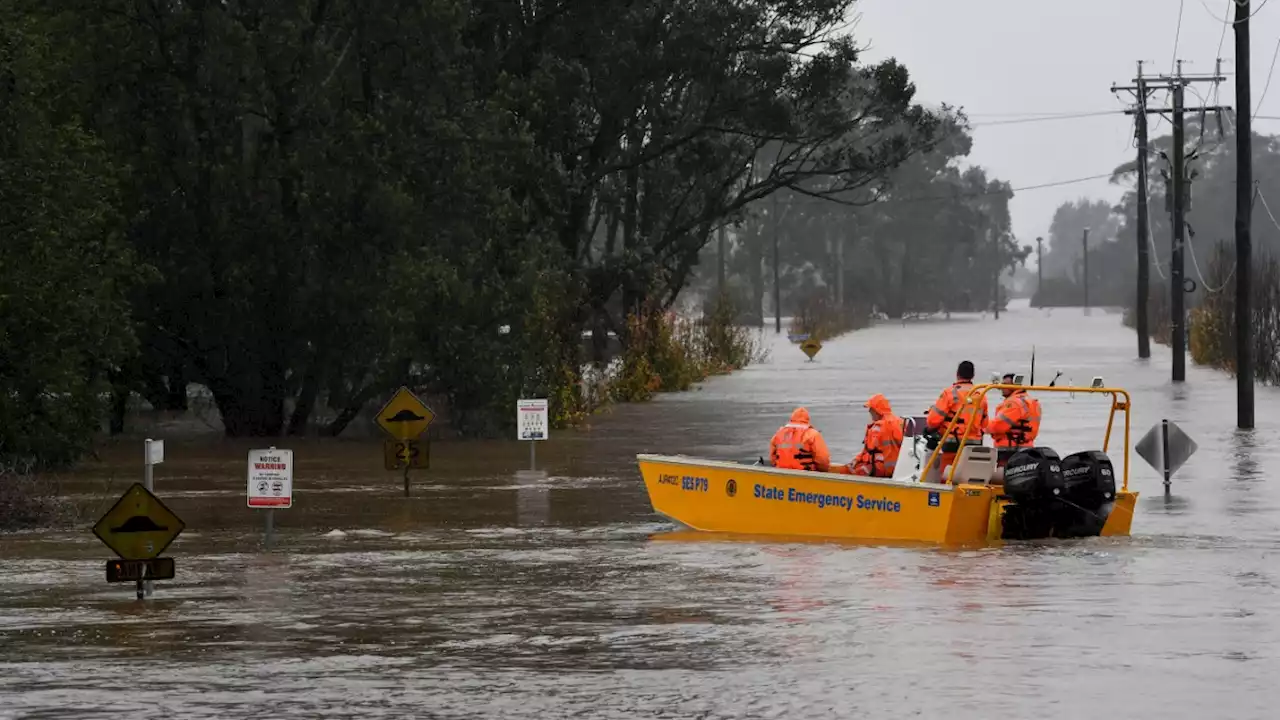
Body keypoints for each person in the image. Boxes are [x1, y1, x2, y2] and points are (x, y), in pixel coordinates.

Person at [925, 360, 989, 481]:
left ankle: (946, 497)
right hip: (974, 444)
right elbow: (985, 424)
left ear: (957, 374)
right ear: (973, 375)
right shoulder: (981, 395)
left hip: (952, 443)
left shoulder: (950, 393)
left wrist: (929, 429)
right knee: (969, 478)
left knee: (948, 475)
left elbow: (933, 421)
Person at [835, 394, 903, 477]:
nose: (869, 411)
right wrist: (857, 459)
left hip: (879, 469)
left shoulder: (878, 427)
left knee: (846, 472)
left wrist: (856, 461)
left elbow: (869, 451)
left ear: (877, 410)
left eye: (871, 408)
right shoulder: (900, 422)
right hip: (897, 470)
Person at [987, 372, 1042, 451]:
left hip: (1009, 448)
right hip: (1027, 447)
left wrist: (982, 425)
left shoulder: (1014, 403)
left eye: (1005, 384)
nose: (1002, 387)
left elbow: (998, 426)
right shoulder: (1032, 402)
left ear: (1014, 386)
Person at [770, 407, 831, 472]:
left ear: (792, 419)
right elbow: (823, 460)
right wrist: (823, 472)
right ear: (807, 419)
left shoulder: (779, 433)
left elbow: (773, 457)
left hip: (781, 473)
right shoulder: (813, 434)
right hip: (807, 475)